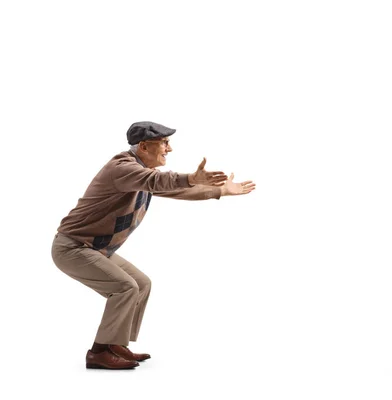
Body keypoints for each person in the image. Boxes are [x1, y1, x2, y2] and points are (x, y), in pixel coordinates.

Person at [51, 121, 256, 370]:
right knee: (125, 287)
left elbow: (176, 190)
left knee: (141, 284)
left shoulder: (139, 174)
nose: (169, 148)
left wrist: (220, 190)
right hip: (73, 248)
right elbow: (160, 181)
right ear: (144, 146)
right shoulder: (122, 168)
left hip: (96, 248)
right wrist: (191, 177)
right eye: (165, 143)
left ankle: (115, 344)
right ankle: (98, 352)